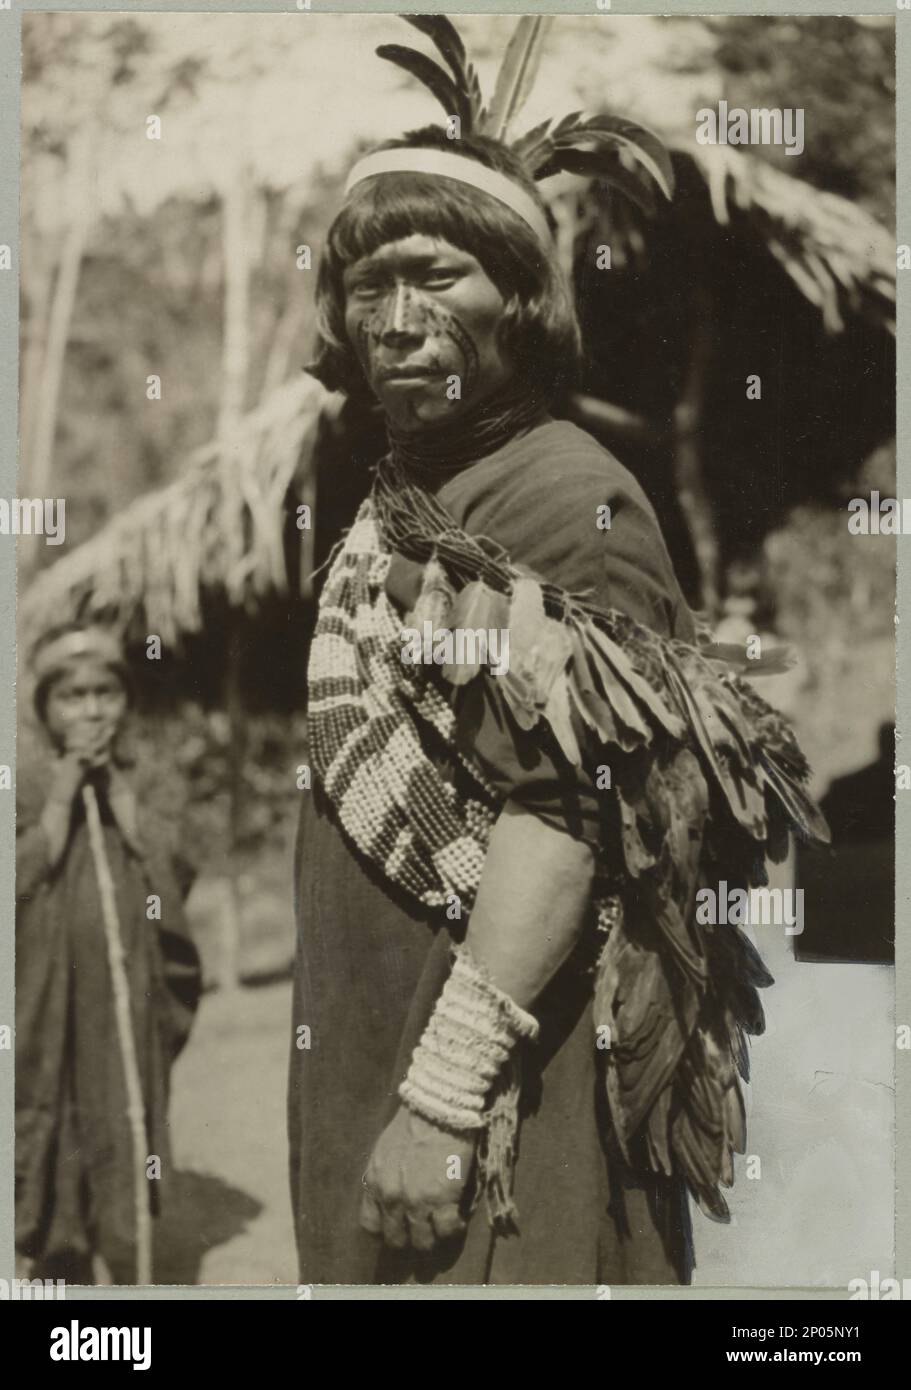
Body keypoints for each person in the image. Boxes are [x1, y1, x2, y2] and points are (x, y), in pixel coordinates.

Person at [288, 26, 827, 1286]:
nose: (399, 321)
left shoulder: (559, 496)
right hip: (385, 1057)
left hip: (494, 1101)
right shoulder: (410, 491)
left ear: (523, 304)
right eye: (370, 289)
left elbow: (566, 816)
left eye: (438, 279)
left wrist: (435, 1100)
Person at [15, 623, 201, 1284]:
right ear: (46, 707)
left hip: (123, 987)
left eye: (105, 693)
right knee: (50, 1110)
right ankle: (57, 1248)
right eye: (72, 696)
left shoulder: (144, 776)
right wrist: (62, 801)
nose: (91, 710)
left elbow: (176, 866)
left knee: (120, 1101)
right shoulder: (25, 784)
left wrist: (123, 804)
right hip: (44, 998)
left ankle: (116, 1242)